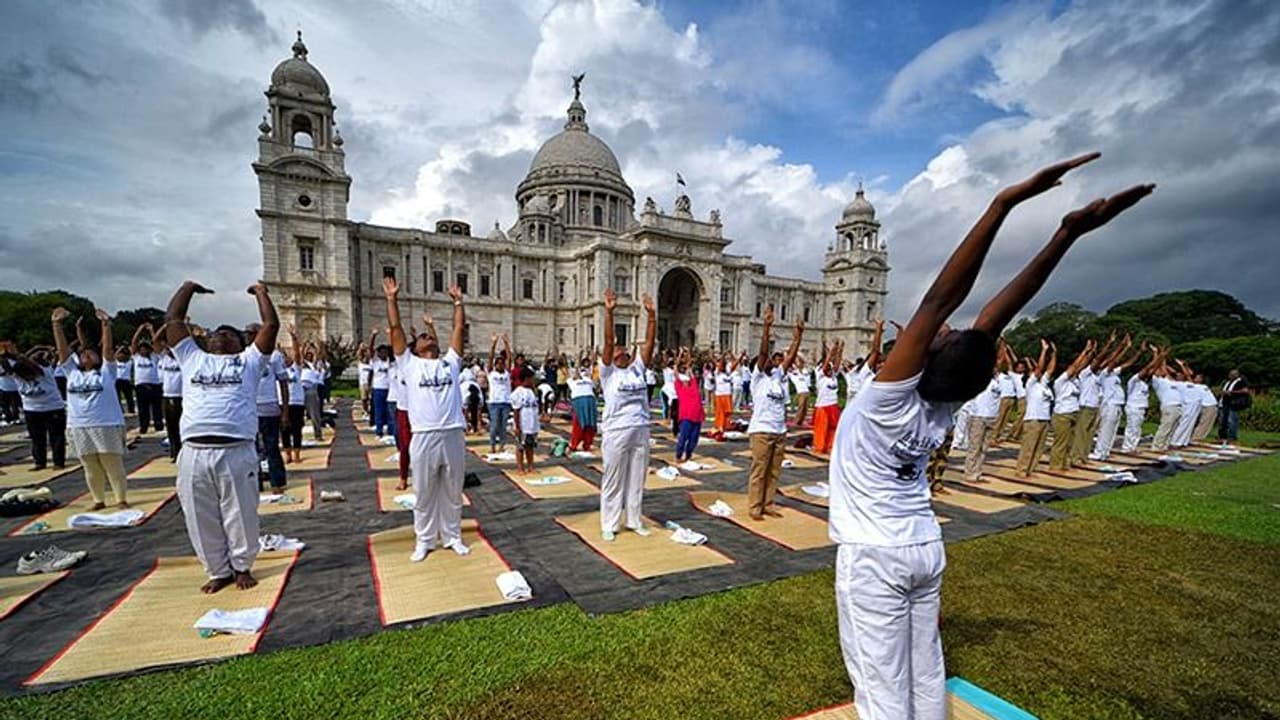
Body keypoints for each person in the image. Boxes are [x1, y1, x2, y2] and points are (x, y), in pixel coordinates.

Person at [828, 153, 1152, 718]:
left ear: (929, 357)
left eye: (942, 335)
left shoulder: (888, 402)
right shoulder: (945, 403)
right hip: (923, 548)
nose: (944, 327)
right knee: (925, 667)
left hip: (875, 555)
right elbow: (993, 318)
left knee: (881, 685)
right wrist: (1065, 236)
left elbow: (939, 300)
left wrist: (1002, 204)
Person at [165, 279, 280, 593]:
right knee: (199, 515)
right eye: (216, 333)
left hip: (236, 450)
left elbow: (271, 324)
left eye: (228, 333)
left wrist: (260, 292)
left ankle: (241, 566)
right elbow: (173, 321)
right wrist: (187, 288)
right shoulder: (192, 357)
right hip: (194, 451)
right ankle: (218, 570)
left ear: (242, 342)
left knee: (240, 513)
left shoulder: (249, 361)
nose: (220, 336)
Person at [382, 277, 471, 560]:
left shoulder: (450, 363)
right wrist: (391, 299)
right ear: (414, 347)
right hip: (424, 436)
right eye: (421, 337)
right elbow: (395, 329)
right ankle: (424, 540)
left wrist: (458, 302)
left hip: (453, 433)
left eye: (430, 335)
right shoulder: (408, 364)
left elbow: (458, 328)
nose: (427, 337)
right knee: (423, 492)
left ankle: (452, 536)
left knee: (453, 490)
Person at [52, 307, 129, 508]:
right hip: (79, 426)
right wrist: (57, 325)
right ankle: (98, 500)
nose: (86, 356)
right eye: (83, 354)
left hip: (106, 424)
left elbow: (108, 351)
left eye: (91, 353)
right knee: (90, 466)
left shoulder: (106, 372)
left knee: (112, 464)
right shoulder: (72, 373)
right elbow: (62, 351)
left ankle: (120, 499)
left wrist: (105, 325)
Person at [598, 288, 657, 541]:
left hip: (640, 428)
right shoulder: (609, 373)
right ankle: (610, 523)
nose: (622, 353)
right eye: (619, 353)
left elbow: (649, 345)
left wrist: (652, 317)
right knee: (614, 479)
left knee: (636, 479)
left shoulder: (637, 370)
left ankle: (634, 519)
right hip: (616, 431)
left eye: (625, 352)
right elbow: (609, 343)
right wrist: (609, 313)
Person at [746, 305, 804, 521]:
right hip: (761, 431)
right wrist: (766, 327)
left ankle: (768, 504)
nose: (773, 360)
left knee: (774, 471)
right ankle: (755, 507)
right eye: (769, 359)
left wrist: (799, 337)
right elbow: (762, 353)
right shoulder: (758, 379)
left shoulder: (779, 378)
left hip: (779, 431)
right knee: (759, 471)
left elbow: (789, 359)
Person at [1, 343, 67, 471]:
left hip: (53, 407)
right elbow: (7, 363)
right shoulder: (17, 374)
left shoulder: (45, 371)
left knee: (56, 437)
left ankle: (58, 462)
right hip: (32, 410)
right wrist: (7, 353)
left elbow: (30, 361)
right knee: (37, 438)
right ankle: (40, 462)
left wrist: (41, 349)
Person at [248, 323, 289, 493]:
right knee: (251, 449)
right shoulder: (246, 355)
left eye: (250, 333)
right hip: (250, 410)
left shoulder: (275, 356)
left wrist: (285, 410)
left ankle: (276, 482)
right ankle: (255, 483)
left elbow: (284, 383)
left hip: (270, 407)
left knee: (271, 447)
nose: (247, 337)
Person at [1090, 337, 1140, 461]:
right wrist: (1123, 346)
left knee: (1112, 430)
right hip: (1109, 404)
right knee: (1105, 429)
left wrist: (1139, 352)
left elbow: (1128, 363)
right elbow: (1114, 360)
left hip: (1117, 404)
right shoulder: (1103, 374)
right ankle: (1098, 452)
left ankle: (1105, 451)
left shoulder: (1114, 374)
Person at [1015, 340, 1055, 476]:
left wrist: (1054, 354)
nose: (1037, 374)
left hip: (1044, 420)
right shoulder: (1030, 384)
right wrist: (1044, 350)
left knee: (1039, 448)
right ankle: (1021, 471)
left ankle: (1030, 470)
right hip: (1033, 420)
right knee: (1028, 447)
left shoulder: (1043, 384)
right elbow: (1039, 369)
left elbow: (1049, 370)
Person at [1121, 347, 1161, 453]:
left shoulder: (1143, 383)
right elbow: (1148, 368)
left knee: (1137, 429)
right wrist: (1156, 356)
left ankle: (1132, 447)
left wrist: (1158, 355)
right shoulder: (1134, 380)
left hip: (1140, 408)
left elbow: (1153, 369)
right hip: (1133, 407)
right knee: (1132, 428)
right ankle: (1127, 448)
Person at [156, 330, 185, 461]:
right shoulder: (164, 358)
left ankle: (183, 453)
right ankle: (174, 452)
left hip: (182, 397)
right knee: (171, 427)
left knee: (182, 426)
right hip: (167, 396)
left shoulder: (183, 359)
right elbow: (155, 341)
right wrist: (167, 326)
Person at [812, 341, 845, 456]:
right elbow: (826, 364)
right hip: (822, 405)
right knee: (821, 428)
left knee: (833, 428)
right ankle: (819, 448)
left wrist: (840, 350)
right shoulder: (820, 375)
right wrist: (831, 352)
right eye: (828, 368)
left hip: (833, 405)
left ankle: (830, 447)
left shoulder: (833, 377)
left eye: (831, 369)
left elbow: (836, 364)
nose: (830, 370)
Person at [130, 324, 164, 435]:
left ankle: (159, 426)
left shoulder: (154, 357)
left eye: (145, 348)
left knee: (157, 409)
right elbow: (134, 342)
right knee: (142, 409)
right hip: (141, 386)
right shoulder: (136, 357)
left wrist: (151, 330)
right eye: (141, 349)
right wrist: (139, 330)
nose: (143, 350)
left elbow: (156, 343)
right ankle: (143, 427)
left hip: (155, 385)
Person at [674, 349, 705, 462]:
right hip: (686, 417)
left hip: (697, 417)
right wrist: (679, 356)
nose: (687, 380)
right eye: (685, 379)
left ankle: (688, 454)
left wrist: (688, 356)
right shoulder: (679, 387)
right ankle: (678, 455)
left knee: (694, 439)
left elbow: (689, 368)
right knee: (683, 437)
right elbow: (675, 371)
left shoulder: (694, 386)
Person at [1150, 355, 1183, 452]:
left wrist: (1163, 356)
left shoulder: (1169, 380)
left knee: (1172, 428)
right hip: (1169, 406)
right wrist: (1157, 355)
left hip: (1178, 406)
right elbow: (1156, 366)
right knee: (1165, 427)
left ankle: (1164, 446)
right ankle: (1156, 446)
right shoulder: (1157, 381)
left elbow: (1164, 368)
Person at [511, 366, 540, 474]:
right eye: (531, 378)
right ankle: (520, 467)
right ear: (526, 378)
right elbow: (516, 411)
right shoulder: (518, 392)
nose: (533, 381)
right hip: (523, 424)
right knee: (520, 447)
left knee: (530, 446)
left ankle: (531, 466)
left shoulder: (532, 392)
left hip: (532, 424)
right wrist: (517, 426)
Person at [487, 334, 513, 453]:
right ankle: (492, 445)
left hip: (506, 402)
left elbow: (509, 359)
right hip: (494, 403)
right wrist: (493, 345)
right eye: (498, 363)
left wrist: (506, 344)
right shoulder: (491, 374)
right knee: (494, 426)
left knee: (503, 426)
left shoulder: (507, 374)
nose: (500, 365)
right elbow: (490, 359)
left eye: (502, 363)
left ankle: (502, 445)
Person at [568, 353, 599, 452]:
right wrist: (579, 358)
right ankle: (574, 444)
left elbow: (591, 366)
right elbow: (576, 371)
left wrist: (594, 353)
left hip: (590, 399)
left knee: (591, 424)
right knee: (579, 423)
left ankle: (587, 444)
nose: (582, 373)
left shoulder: (588, 379)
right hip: (579, 401)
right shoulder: (572, 381)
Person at [281, 348, 306, 465]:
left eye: (287, 358)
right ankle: (287, 454)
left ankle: (296, 454)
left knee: (297, 429)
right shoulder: (279, 371)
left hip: (297, 403)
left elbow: (297, 354)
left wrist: (294, 338)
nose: (286, 360)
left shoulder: (296, 368)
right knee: (284, 430)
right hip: (282, 403)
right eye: (284, 358)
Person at [368, 338, 394, 438]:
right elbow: (370, 350)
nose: (383, 354)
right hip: (378, 389)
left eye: (385, 352)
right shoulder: (375, 362)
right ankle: (379, 432)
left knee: (389, 412)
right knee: (378, 411)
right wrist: (373, 336)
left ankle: (391, 432)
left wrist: (389, 335)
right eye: (381, 352)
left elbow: (393, 349)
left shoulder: (390, 362)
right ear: (378, 354)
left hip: (389, 389)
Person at [711, 353, 742, 436]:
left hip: (727, 395)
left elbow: (735, 364)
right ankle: (719, 426)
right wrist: (723, 356)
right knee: (720, 412)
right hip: (720, 395)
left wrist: (741, 356)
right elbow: (719, 364)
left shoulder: (727, 372)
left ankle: (724, 426)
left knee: (727, 412)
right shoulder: (717, 372)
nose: (722, 365)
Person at [1218, 370, 1250, 444]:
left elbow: (1245, 391)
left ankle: (1232, 437)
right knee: (1222, 420)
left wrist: (1231, 392)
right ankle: (1222, 436)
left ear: (1237, 375)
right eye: (1230, 374)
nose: (1230, 376)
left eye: (1233, 374)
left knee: (1232, 420)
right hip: (1224, 403)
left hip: (1234, 403)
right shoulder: (1227, 382)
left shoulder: (1241, 382)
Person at [1190, 375, 1219, 443]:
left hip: (1210, 406)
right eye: (1196, 377)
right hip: (1208, 406)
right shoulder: (1200, 386)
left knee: (1206, 423)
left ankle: (1197, 438)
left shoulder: (1201, 386)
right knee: (1204, 423)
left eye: (1198, 378)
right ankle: (1196, 438)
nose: (1195, 378)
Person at [789, 355, 812, 428]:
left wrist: (799, 355)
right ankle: (796, 421)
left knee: (805, 408)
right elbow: (790, 364)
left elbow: (803, 362)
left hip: (807, 391)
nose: (800, 364)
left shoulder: (805, 372)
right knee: (801, 407)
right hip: (800, 392)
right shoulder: (794, 373)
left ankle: (801, 421)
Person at [0, 355, 22, 426]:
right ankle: (16, 418)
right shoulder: (14, 362)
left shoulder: (5, 363)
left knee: (5, 404)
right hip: (14, 386)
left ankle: (9, 419)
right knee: (14, 404)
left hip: (4, 386)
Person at [114, 347, 135, 416]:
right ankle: (120, 411)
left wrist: (128, 348)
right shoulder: (116, 362)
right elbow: (115, 355)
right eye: (120, 355)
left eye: (123, 355)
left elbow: (132, 354)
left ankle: (131, 410)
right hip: (117, 380)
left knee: (129, 397)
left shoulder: (129, 362)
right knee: (117, 397)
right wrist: (120, 348)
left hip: (126, 381)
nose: (121, 356)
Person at [356, 341, 372, 419]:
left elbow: (370, 353)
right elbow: (359, 354)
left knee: (371, 399)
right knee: (364, 399)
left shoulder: (371, 363)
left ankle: (371, 411)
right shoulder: (360, 363)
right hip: (363, 383)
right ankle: (365, 411)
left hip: (371, 383)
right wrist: (362, 347)